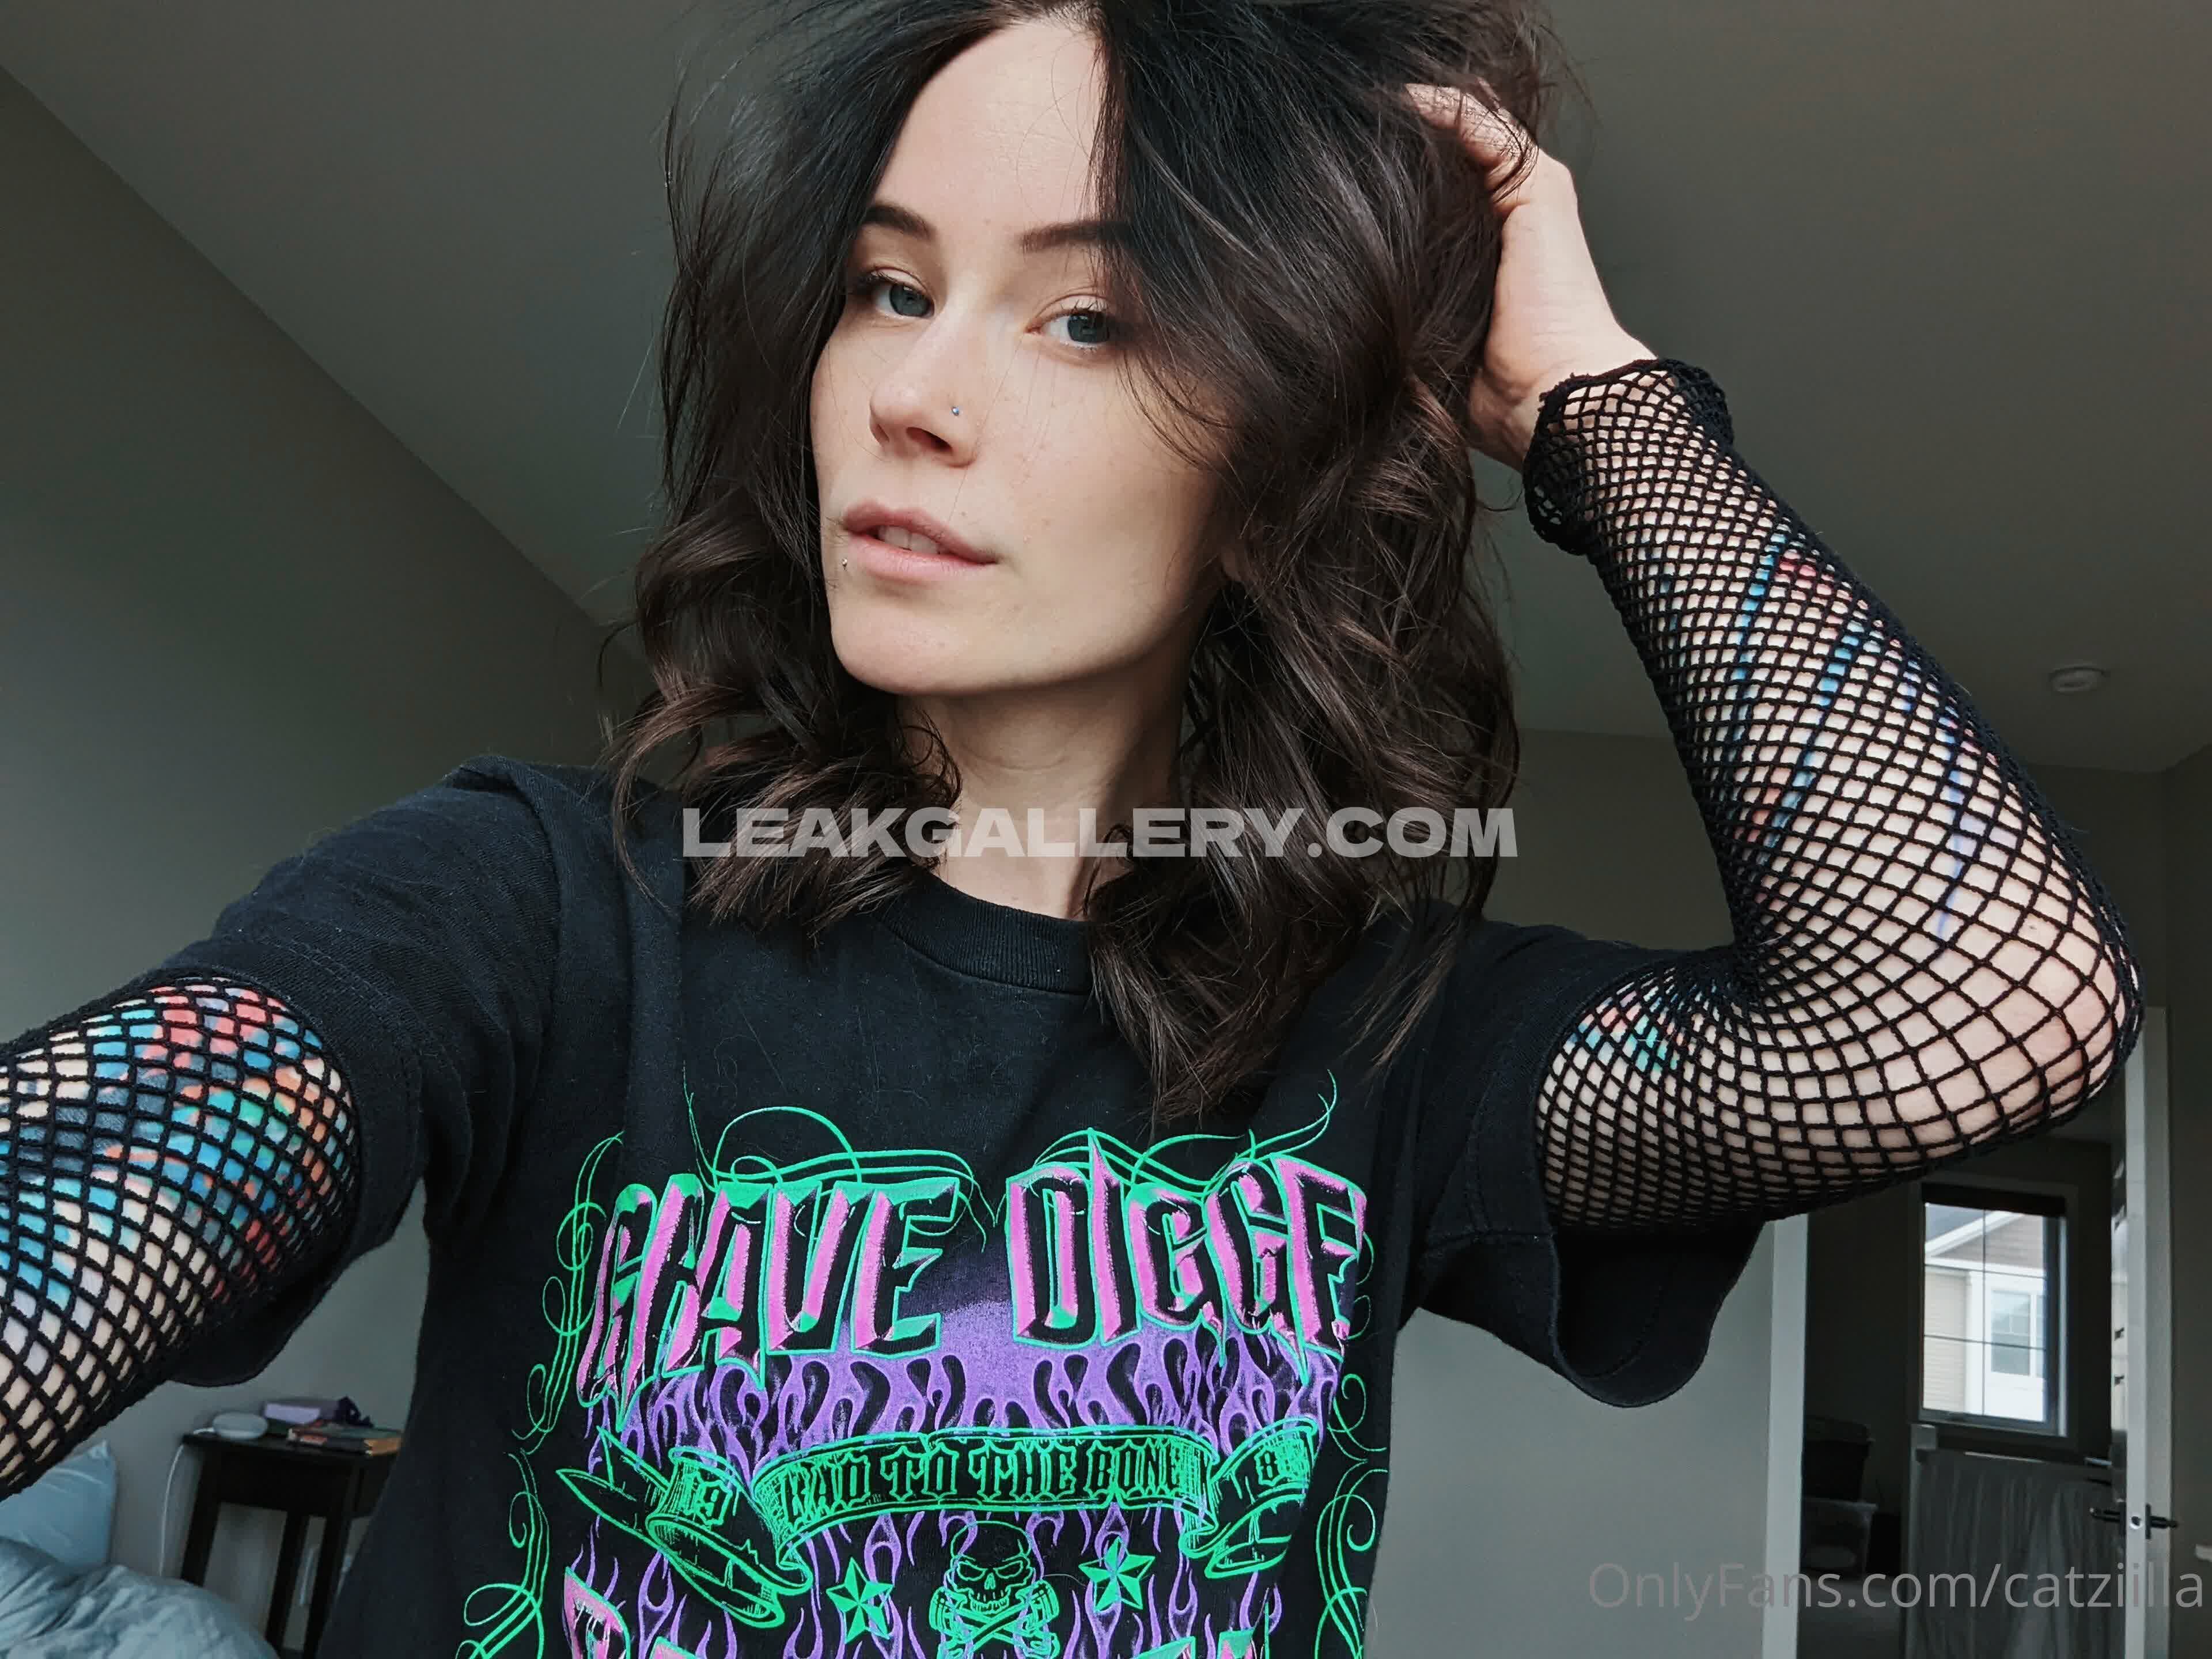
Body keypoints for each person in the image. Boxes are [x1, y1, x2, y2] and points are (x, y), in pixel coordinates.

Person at [0, 0, 2142, 1654]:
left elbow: (1988, 1006)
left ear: (1285, 452)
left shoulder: (1393, 1036)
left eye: (1089, 315)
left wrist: (1596, 402)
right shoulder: (534, 908)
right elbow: (133, 1163)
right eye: (887, 284)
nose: (911, 394)